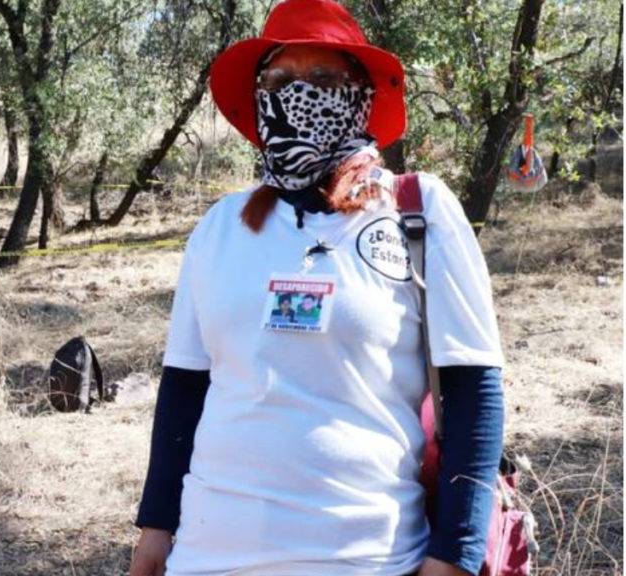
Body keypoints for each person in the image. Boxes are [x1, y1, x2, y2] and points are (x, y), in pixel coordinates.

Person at [130, 2, 505, 576]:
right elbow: (185, 388)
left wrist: (452, 556)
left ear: (360, 95)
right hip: (208, 555)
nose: (297, 95)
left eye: (323, 78)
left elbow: (474, 388)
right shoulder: (220, 227)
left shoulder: (417, 211)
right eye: (279, 80)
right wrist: (156, 532)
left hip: (365, 557)